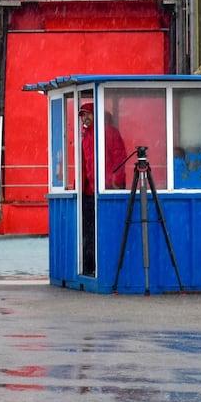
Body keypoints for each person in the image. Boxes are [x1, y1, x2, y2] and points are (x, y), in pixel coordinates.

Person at [79, 102, 127, 276]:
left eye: (87, 114)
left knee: (97, 231)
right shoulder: (87, 136)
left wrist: (115, 183)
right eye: (83, 115)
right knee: (90, 232)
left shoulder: (107, 133)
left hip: (103, 191)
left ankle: (94, 267)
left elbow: (119, 158)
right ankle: (91, 266)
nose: (85, 118)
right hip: (89, 192)